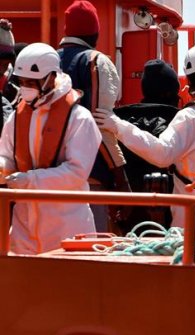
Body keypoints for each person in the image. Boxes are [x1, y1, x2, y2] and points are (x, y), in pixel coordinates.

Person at [93, 45, 195, 228]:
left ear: (187, 78)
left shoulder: (190, 117)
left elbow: (162, 154)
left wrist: (117, 126)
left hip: (189, 227)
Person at [0, 43, 101, 254]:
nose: (25, 87)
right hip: (24, 229)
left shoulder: (79, 118)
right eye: (22, 81)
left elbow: (76, 173)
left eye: (31, 82)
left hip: (67, 230)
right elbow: (7, 156)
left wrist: (30, 180)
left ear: (51, 77)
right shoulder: (16, 117)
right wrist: (2, 168)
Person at [58, 0, 131, 232]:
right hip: (89, 178)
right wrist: (122, 180)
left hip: (46, 179)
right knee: (91, 256)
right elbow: (101, 125)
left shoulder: (46, 60)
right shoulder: (97, 61)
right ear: (96, 32)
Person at [112, 59, 181, 231]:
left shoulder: (119, 122)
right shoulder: (183, 122)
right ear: (172, 93)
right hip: (175, 228)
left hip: (125, 226)